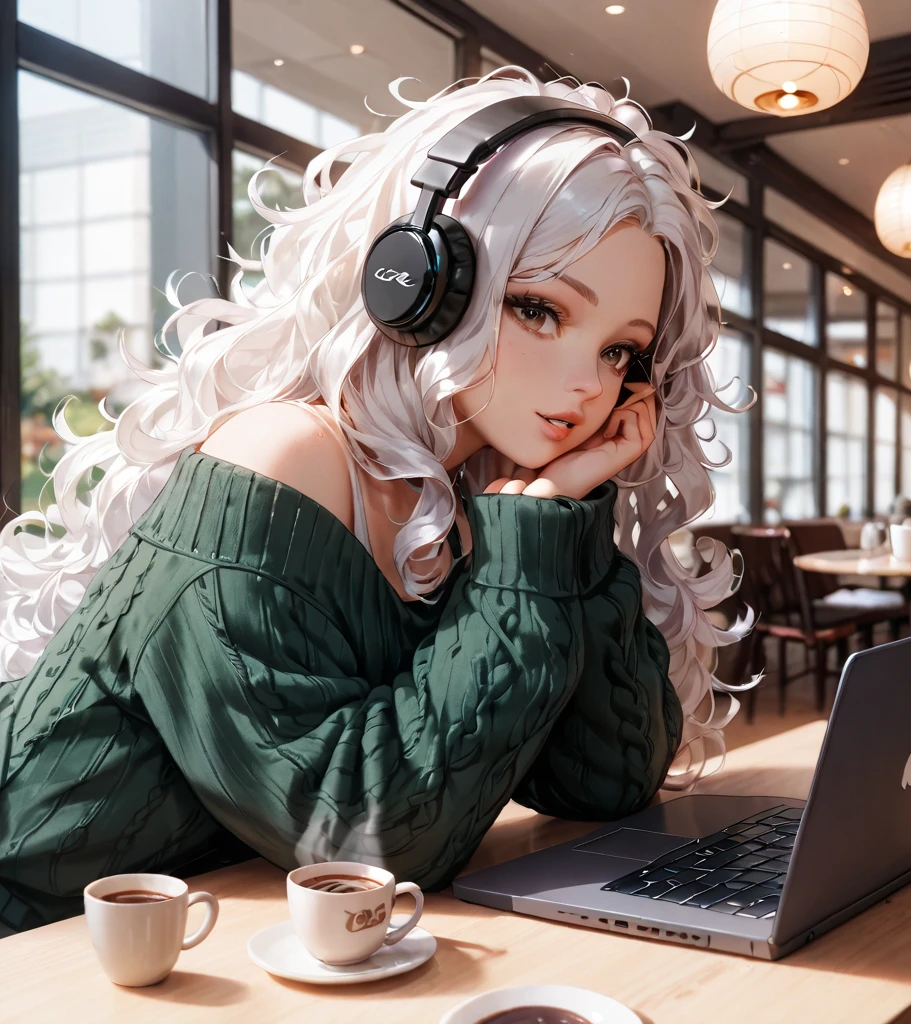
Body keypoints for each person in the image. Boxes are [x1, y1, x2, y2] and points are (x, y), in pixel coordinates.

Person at [0, 68, 749, 935]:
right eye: (540, 309)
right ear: (419, 284)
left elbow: (607, 781)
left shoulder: (491, 512)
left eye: (622, 351)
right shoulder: (282, 457)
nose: (587, 384)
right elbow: (364, 836)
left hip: (202, 935)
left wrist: (562, 518)